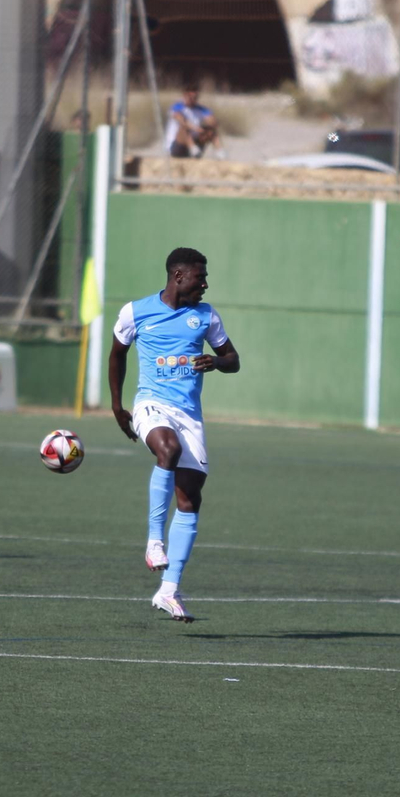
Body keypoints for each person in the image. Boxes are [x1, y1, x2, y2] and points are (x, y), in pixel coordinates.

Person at [108, 247, 241, 622]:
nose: (206, 283)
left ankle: (169, 589)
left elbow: (234, 360)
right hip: (151, 404)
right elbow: (117, 354)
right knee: (166, 449)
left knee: (190, 498)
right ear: (179, 276)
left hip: (190, 415)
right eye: (201, 276)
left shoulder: (206, 316)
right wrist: (118, 406)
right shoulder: (136, 311)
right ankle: (154, 541)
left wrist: (216, 361)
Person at [165, 84, 219, 159]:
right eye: (190, 97)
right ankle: (193, 150)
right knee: (184, 127)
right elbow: (182, 120)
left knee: (210, 131)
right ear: (184, 95)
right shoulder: (177, 107)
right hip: (177, 145)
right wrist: (197, 129)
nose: (192, 99)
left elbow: (213, 122)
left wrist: (210, 124)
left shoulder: (201, 109)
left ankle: (220, 154)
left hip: (195, 140)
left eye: (195, 97)